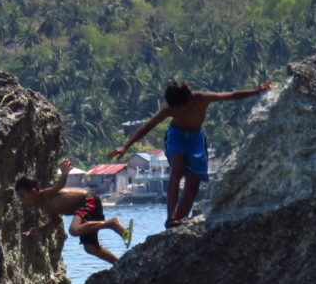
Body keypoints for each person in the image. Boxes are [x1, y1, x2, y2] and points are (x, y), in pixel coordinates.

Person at [108, 80, 274, 228]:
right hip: (176, 137)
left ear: (189, 98)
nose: (180, 110)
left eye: (182, 106)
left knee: (193, 184)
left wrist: (255, 91)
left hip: (195, 139)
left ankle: (179, 221)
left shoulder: (202, 98)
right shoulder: (170, 110)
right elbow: (147, 126)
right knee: (177, 168)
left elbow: (231, 95)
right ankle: (170, 217)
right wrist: (125, 146)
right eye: (176, 107)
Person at [16, 158, 130, 264]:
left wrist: (65, 173)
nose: (22, 201)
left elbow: (59, 186)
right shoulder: (43, 206)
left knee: (74, 230)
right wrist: (39, 229)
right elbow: (57, 220)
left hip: (88, 199)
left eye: (22, 196)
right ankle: (119, 264)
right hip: (84, 208)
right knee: (90, 248)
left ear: (34, 191)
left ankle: (112, 223)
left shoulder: (46, 195)